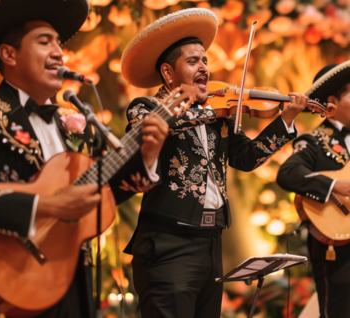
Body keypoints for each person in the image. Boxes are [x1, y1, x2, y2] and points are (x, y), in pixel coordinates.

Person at [120, 7, 309, 318]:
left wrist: (285, 118)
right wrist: (207, 109)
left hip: (211, 242)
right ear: (168, 73)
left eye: (205, 60)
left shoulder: (218, 114)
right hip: (168, 244)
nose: (204, 67)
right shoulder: (147, 107)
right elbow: (149, 129)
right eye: (193, 61)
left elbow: (247, 158)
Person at [0, 0, 170, 317]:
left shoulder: (75, 123)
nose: (60, 52)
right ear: (8, 54)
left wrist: (148, 157)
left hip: (74, 280)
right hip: (6, 282)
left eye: (60, 43)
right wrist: (46, 205)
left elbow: (106, 191)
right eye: (44, 41)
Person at [277, 61, 350, 318]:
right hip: (337, 245)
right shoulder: (314, 141)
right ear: (331, 102)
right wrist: (336, 185)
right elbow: (287, 174)